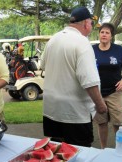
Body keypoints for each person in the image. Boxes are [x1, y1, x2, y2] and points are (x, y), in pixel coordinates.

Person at [40, 6, 108, 147]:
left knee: (57, 153)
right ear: (85, 23)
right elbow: (89, 81)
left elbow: (43, 66)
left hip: (52, 110)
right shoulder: (82, 42)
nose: (91, 26)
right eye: (91, 23)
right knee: (79, 154)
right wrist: (100, 106)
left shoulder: (53, 40)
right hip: (74, 114)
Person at [92, 23, 122, 149]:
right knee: (102, 123)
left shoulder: (118, 50)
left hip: (115, 92)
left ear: (111, 36)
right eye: (102, 32)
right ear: (99, 34)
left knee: (118, 124)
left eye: (107, 33)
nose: (104, 35)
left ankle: (119, 149)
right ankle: (103, 149)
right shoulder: (91, 50)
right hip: (97, 93)